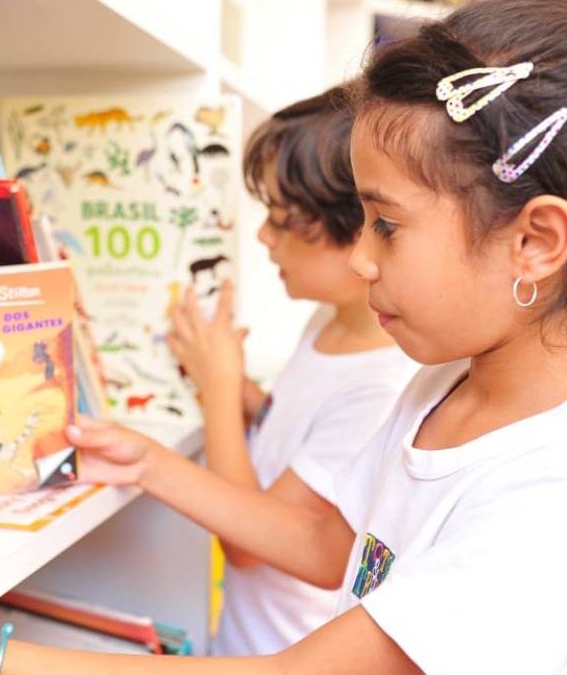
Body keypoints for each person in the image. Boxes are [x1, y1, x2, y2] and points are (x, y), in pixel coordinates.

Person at [0, 1, 567, 672]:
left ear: (537, 241)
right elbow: (332, 545)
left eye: (386, 225)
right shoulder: (443, 386)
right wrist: (148, 462)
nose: (359, 258)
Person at [165, 85, 415, 657]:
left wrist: (220, 389)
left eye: (280, 218)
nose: (262, 236)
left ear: (362, 229)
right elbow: (293, 440)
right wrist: (242, 391)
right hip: (245, 639)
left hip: (277, 650)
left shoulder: (379, 386)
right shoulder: (330, 325)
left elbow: (251, 542)